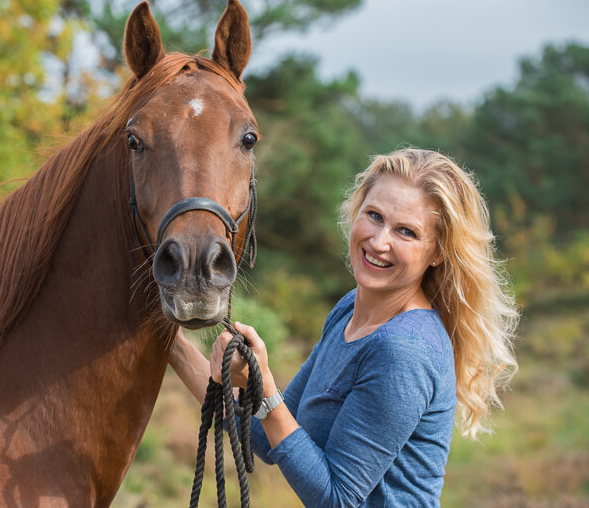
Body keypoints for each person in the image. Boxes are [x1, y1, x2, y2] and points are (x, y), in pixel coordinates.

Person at [169, 148, 519, 507]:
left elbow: (337, 500)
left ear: (438, 253)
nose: (379, 242)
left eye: (406, 232)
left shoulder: (404, 351)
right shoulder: (349, 309)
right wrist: (173, 344)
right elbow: (266, 435)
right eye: (374, 216)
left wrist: (267, 388)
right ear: (357, 211)